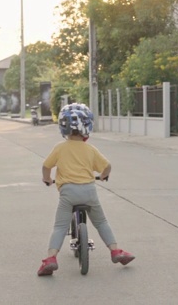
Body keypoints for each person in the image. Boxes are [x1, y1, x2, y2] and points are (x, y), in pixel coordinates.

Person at [37, 103, 135, 276]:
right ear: (88, 126)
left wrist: (47, 179)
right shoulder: (90, 149)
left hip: (68, 193)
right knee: (101, 222)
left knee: (60, 226)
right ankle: (115, 251)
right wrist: (104, 175)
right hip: (89, 192)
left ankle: (51, 259)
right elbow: (107, 166)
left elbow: (46, 166)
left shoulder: (60, 148)